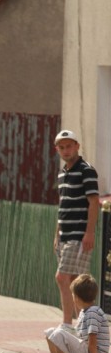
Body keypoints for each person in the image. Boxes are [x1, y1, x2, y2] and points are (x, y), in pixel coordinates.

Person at [53, 130, 99, 332]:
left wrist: (89, 233)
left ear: (77, 146)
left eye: (69, 146)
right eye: (62, 147)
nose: (66, 150)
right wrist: (57, 233)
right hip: (64, 235)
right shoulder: (62, 173)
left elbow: (94, 202)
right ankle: (83, 326)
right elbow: (63, 204)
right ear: (57, 149)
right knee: (74, 281)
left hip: (79, 235)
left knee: (62, 277)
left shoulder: (86, 170)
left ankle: (67, 324)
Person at [40, 274, 110, 353]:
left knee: (58, 335)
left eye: (72, 295)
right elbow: (79, 335)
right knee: (50, 333)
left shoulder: (93, 313)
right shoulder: (85, 311)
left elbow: (93, 342)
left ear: (76, 298)